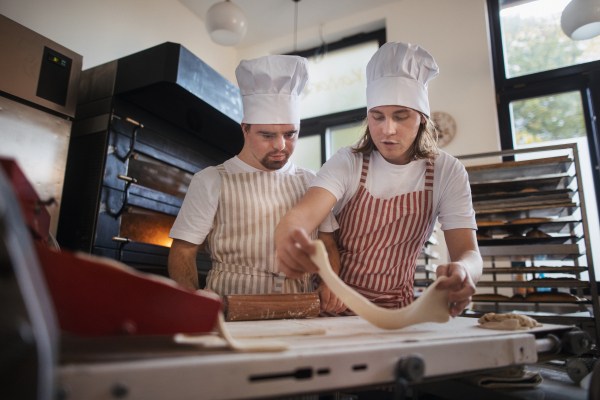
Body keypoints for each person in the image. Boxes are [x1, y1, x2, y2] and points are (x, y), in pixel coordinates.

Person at [274, 41, 482, 317]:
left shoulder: (447, 172)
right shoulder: (348, 162)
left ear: (421, 117)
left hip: (398, 312)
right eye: (377, 117)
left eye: (400, 116)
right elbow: (303, 215)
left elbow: (468, 252)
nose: (387, 130)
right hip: (333, 306)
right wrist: (288, 237)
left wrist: (465, 271)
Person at [168, 55, 346, 314]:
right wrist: (192, 300)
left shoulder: (312, 182)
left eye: (290, 134)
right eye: (267, 135)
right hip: (229, 310)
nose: (280, 146)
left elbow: (328, 244)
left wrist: (332, 283)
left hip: (298, 311)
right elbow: (183, 250)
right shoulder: (211, 180)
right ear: (245, 129)